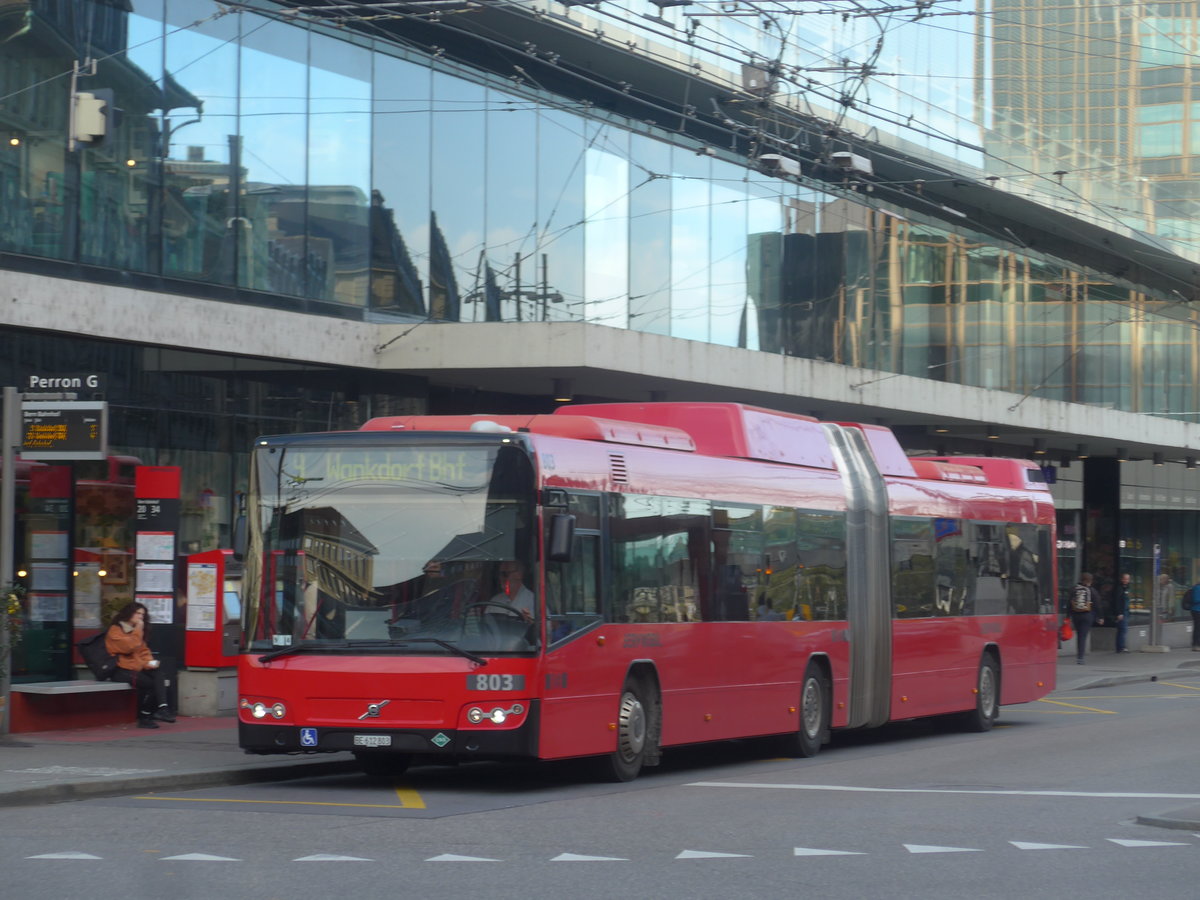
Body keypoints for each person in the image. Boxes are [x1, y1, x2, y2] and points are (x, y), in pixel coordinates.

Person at [105, 601, 174, 729]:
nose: (140, 617)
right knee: (150, 684)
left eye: (142, 614)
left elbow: (143, 651)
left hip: (137, 667)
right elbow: (129, 647)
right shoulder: (116, 630)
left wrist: (150, 663)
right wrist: (138, 629)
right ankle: (145, 716)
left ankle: (163, 708)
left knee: (158, 674)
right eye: (137, 613)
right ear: (128, 613)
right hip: (121, 669)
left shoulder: (136, 632)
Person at [1069, 572, 1100, 664]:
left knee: (1079, 635)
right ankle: (1080, 657)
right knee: (1083, 636)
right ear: (1090, 581)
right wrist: (1100, 616)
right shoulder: (1092, 590)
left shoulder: (1074, 589)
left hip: (1076, 615)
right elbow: (1097, 604)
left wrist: (1068, 616)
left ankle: (1079, 656)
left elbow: (1069, 603)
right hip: (1087, 615)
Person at [1111, 573, 1131, 653]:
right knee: (1122, 629)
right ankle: (1121, 647)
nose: (1126, 581)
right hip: (1122, 612)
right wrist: (1119, 613)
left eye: (1128, 579)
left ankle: (1120, 647)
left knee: (1122, 630)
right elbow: (1117, 601)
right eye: (1125, 579)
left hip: (1125, 612)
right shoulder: (1119, 588)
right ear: (1122, 579)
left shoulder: (1126, 588)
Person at [1187, 582, 1200, 652]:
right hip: (1197, 610)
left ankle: (1196, 644)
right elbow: (1196, 599)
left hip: (1197, 610)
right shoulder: (1197, 588)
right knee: (1198, 628)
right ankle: (1196, 645)